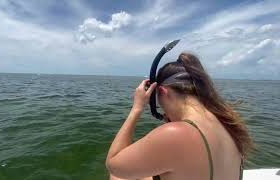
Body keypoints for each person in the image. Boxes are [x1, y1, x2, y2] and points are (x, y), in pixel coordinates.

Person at [105, 52, 254, 180]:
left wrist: (137, 108)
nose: (162, 108)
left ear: (163, 91)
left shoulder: (175, 133)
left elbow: (113, 165)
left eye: (158, 100)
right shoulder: (227, 123)